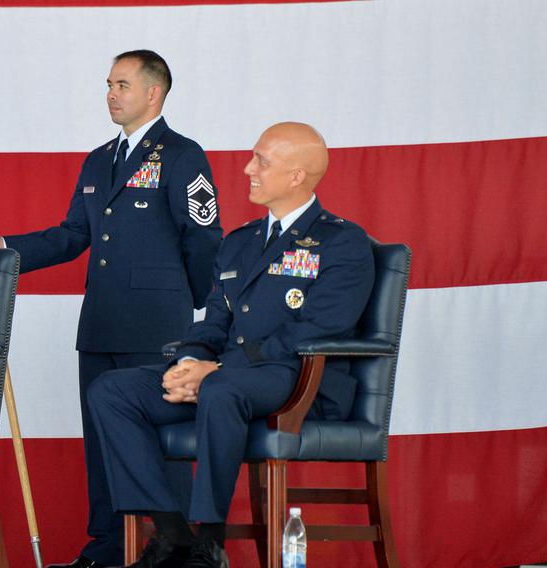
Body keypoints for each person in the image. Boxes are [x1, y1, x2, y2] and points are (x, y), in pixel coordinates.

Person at [88, 122, 376, 568]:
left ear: (297, 175)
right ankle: (171, 533)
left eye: (261, 160)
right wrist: (189, 361)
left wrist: (217, 373)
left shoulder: (342, 242)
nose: (247, 169)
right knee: (113, 390)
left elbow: (317, 329)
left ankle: (210, 540)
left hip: (297, 380)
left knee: (222, 391)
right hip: (226, 378)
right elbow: (216, 324)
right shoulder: (239, 244)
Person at [0, 50, 222, 568]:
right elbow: (74, 236)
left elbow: (203, 237)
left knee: (163, 442)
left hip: (159, 325)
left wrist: (199, 311)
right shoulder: (99, 160)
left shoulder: (183, 156)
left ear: (153, 93)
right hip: (100, 324)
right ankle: (109, 548)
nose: (111, 94)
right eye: (108, 84)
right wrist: (2, 245)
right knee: (102, 443)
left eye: (122, 84)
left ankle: (176, 549)